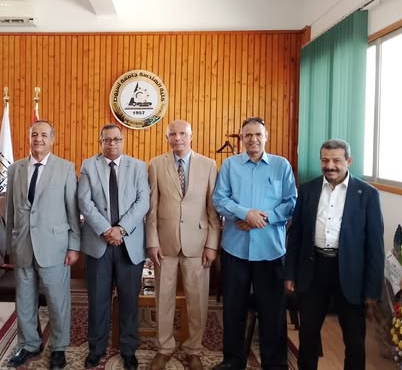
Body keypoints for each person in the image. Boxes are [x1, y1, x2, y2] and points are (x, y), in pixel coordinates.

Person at [284, 139, 384, 370]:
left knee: (355, 340)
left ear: (349, 161)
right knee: (308, 335)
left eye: (336, 160)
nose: (330, 166)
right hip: (313, 270)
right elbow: (296, 234)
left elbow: (375, 246)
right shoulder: (307, 189)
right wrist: (289, 273)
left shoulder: (368, 194)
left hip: (350, 273)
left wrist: (372, 290)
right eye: (325, 160)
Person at [213, 117, 296, 370]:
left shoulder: (281, 165)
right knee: (233, 309)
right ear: (241, 138)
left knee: (273, 311)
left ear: (266, 136)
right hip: (235, 249)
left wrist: (263, 218)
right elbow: (219, 199)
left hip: (270, 250)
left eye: (258, 134)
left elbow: (291, 202)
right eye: (248, 135)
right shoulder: (230, 165)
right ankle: (233, 361)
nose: (253, 139)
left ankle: (275, 364)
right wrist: (245, 213)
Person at [6, 120, 81, 370]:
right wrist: (9, 246)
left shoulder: (65, 168)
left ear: (52, 139)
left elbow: (73, 211)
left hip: (55, 247)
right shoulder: (15, 169)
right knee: (24, 300)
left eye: (44, 135)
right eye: (34, 134)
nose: (38, 138)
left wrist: (74, 246)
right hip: (22, 246)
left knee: (57, 301)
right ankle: (29, 344)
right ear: (29, 138)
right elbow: (10, 211)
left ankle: (58, 347)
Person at [146, 119, 219, 370]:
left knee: (197, 301)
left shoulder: (209, 165)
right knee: (163, 299)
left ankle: (193, 349)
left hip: (198, 244)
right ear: (167, 138)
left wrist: (212, 245)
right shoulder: (156, 164)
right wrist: (152, 241)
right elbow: (152, 208)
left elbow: (213, 209)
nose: (177, 138)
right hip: (164, 244)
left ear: (191, 136)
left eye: (182, 134)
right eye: (172, 134)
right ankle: (164, 348)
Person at [78, 124, 150, 370]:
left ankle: (128, 350)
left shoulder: (138, 166)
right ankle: (96, 349)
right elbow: (84, 202)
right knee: (98, 300)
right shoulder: (89, 165)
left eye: (116, 139)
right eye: (107, 140)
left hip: (129, 244)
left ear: (123, 140)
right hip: (99, 244)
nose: (112, 144)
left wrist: (122, 229)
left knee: (129, 301)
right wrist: (107, 230)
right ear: (100, 142)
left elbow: (143, 201)